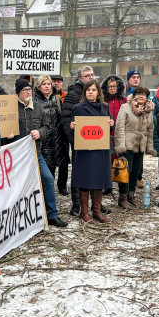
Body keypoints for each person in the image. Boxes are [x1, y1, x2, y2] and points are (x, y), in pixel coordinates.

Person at [12, 78, 67, 227]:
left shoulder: (37, 107)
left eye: (29, 89)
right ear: (18, 93)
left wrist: (40, 132)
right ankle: (20, 217)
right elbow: (1, 129)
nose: (28, 92)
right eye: (25, 90)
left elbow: (46, 126)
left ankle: (52, 215)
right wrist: (8, 134)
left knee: (48, 179)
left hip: (35, 153)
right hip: (17, 155)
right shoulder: (11, 108)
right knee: (20, 185)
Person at [62, 66, 111, 216]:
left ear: (98, 92)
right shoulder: (78, 107)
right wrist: (72, 128)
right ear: (85, 92)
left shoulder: (105, 107)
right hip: (84, 150)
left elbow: (107, 128)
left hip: (100, 150)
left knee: (98, 179)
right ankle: (84, 212)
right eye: (88, 90)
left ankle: (96, 211)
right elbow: (71, 126)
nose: (91, 92)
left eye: (94, 90)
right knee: (84, 179)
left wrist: (111, 124)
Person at [114, 87, 157, 207]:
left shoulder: (148, 109)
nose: (141, 96)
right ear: (133, 95)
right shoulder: (126, 107)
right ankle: (122, 197)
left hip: (140, 145)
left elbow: (150, 130)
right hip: (127, 144)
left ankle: (131, 195)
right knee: (125, 172)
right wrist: (120, 146)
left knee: (135, 172)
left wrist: (149, 147)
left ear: (147, 97)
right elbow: (119, 127)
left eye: (143, 94)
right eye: (138, 94)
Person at [34, 75, 67, 184]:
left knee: (58, 165)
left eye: (49, 84)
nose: (47, 86)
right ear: (39, 86)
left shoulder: (56, 99)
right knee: (46, 170)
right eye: (44, 84)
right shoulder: (34, 101)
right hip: (43, 139)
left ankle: (58, 188)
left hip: (57, 138)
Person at [51, 75, 69, 195]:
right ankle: (50, 184)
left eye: (59, 82)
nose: (56, 84)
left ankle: (62, 186)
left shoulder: (66, 97)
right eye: (54, 81)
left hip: (64, 131)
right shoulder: (48, 97)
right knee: (51, 160)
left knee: (64, 161)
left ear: (62, 84)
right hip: (52, 132)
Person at [126, 69, 143, 188]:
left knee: (139, 157)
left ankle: (138, 178)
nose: (136, 79)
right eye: (133, 77)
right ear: (128, 80)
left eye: (138, 77)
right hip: (127, 130)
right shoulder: (124, 92)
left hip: (140, 130)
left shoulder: (144, 93)